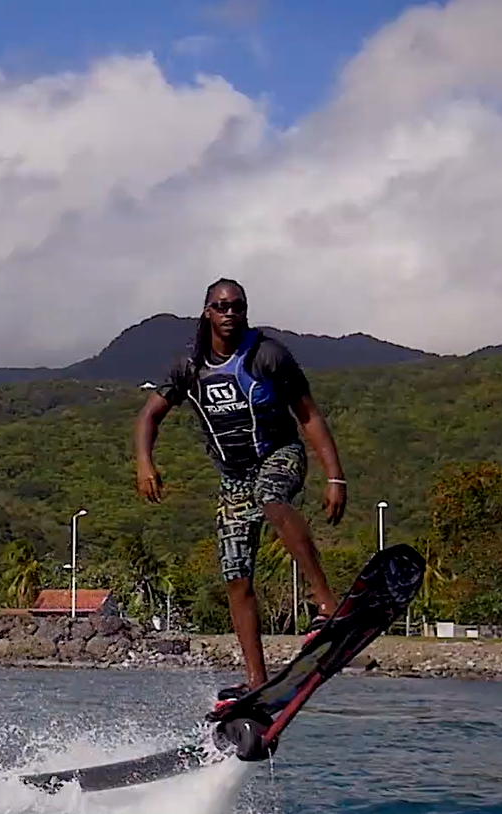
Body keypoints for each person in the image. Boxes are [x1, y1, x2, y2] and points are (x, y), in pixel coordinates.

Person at [135, 278, 348, 712]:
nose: (229, 313)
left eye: (237, 306)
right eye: (221, 306)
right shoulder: (189, 366)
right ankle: (256, 680)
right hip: (234, 478)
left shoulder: (267, 355)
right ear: (207, 312)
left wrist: (334, 477)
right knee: (235, 573)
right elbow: (150, 415)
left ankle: (327, 604)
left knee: (273, 498)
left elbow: (308, 415)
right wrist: (144, 462)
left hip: (280, 454)